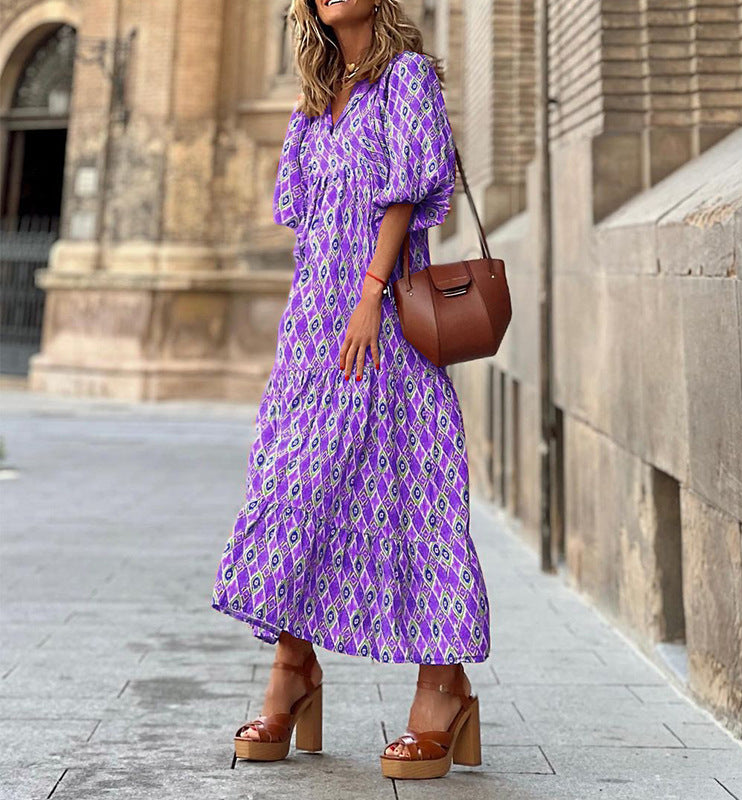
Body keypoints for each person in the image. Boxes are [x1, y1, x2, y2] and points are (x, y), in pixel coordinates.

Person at [210, 0, 490, 780]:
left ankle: (444, 684)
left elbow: (404, 193)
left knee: (410, 491)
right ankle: (292, 668)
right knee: (292, 487)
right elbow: (308, 221)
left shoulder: (406, 79)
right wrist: (326, 312)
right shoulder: (311, 104)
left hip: (387, 319)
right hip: (313, 330)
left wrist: (369, 294)